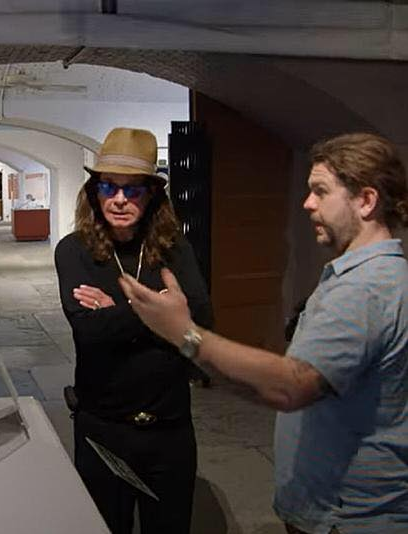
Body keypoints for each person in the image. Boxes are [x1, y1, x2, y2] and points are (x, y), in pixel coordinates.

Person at [120, 132, 408, 534]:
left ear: (366, 200)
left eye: (320, 192)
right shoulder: (371, 276)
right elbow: (278, 388)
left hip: (345, 518)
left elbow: (290, 388)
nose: (307, 204)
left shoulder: (365, 289)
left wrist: (184, 334)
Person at [54, 127, 213, 533]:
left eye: (133, 190)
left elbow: (201, 323)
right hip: (103, 429)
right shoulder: (74, 251)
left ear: (152, 195)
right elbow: (89, 332)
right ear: (95, 192)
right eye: (109, 187)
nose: (120, 199)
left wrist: (119, 313)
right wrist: (161, 314)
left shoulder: (175, 249)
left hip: (169, 429)